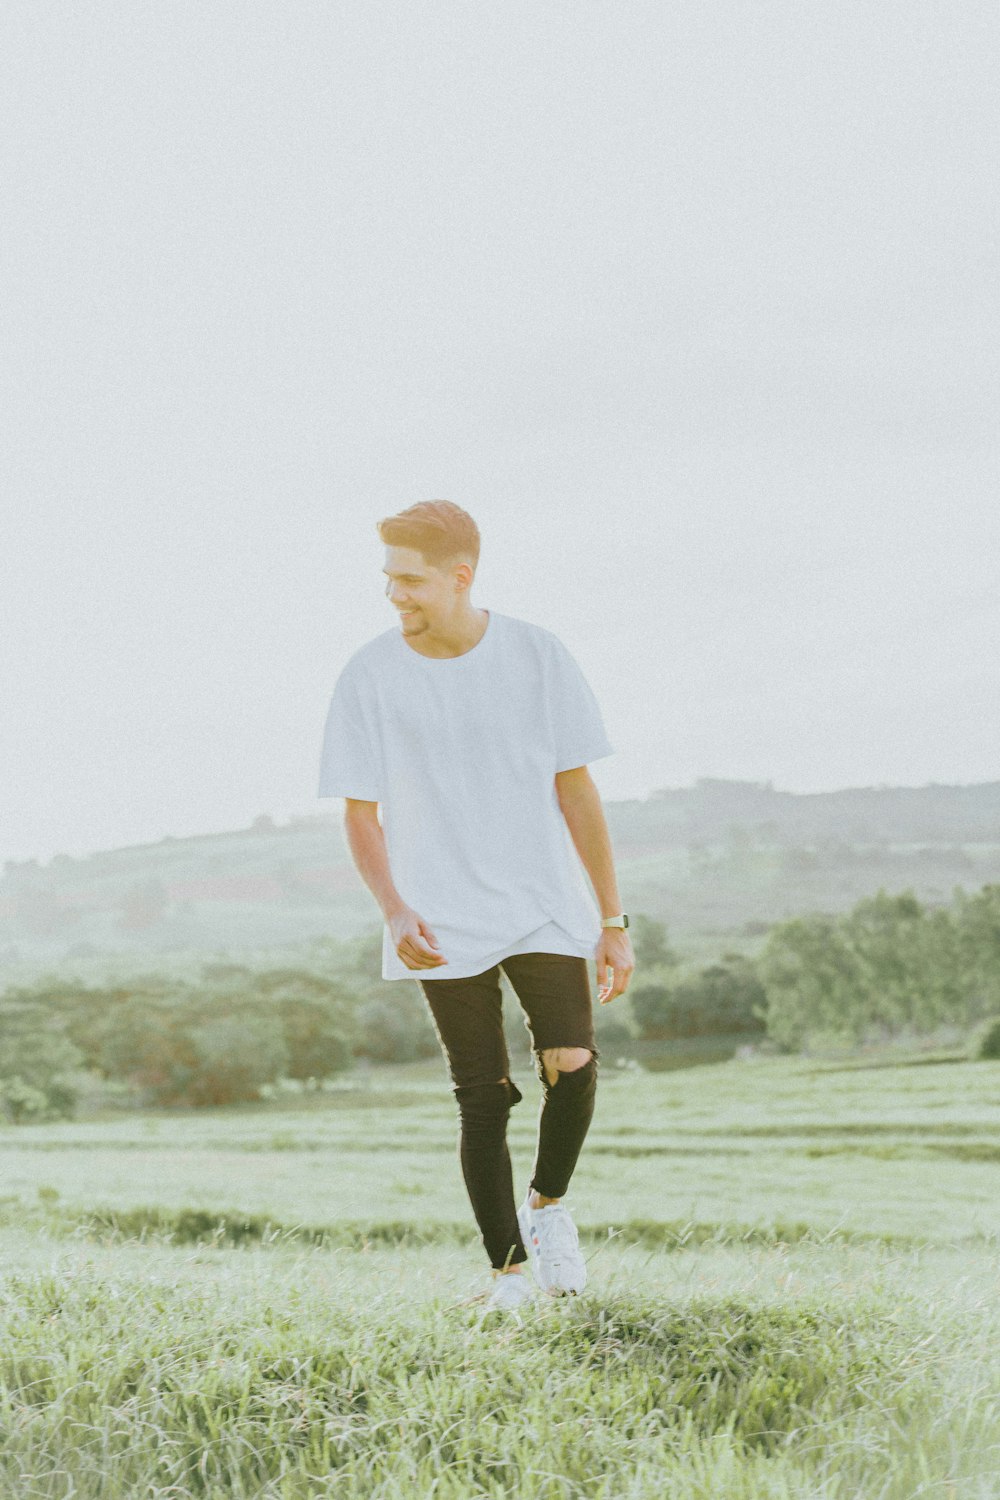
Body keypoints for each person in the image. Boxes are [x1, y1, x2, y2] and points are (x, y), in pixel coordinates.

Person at [317, 500, 635, 1313]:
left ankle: (549, 1207)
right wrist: (393, 909)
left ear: (460, 577)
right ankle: (509, 1277)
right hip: (436, 913)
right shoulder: (370, 674)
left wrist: (611, 921)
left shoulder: (538, 655)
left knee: (572, 1062)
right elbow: (359, 812)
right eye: (388, 579)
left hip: (541, 900)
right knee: (482, 1093)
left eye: (409, 580)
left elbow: (577, 790)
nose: (395, 595)